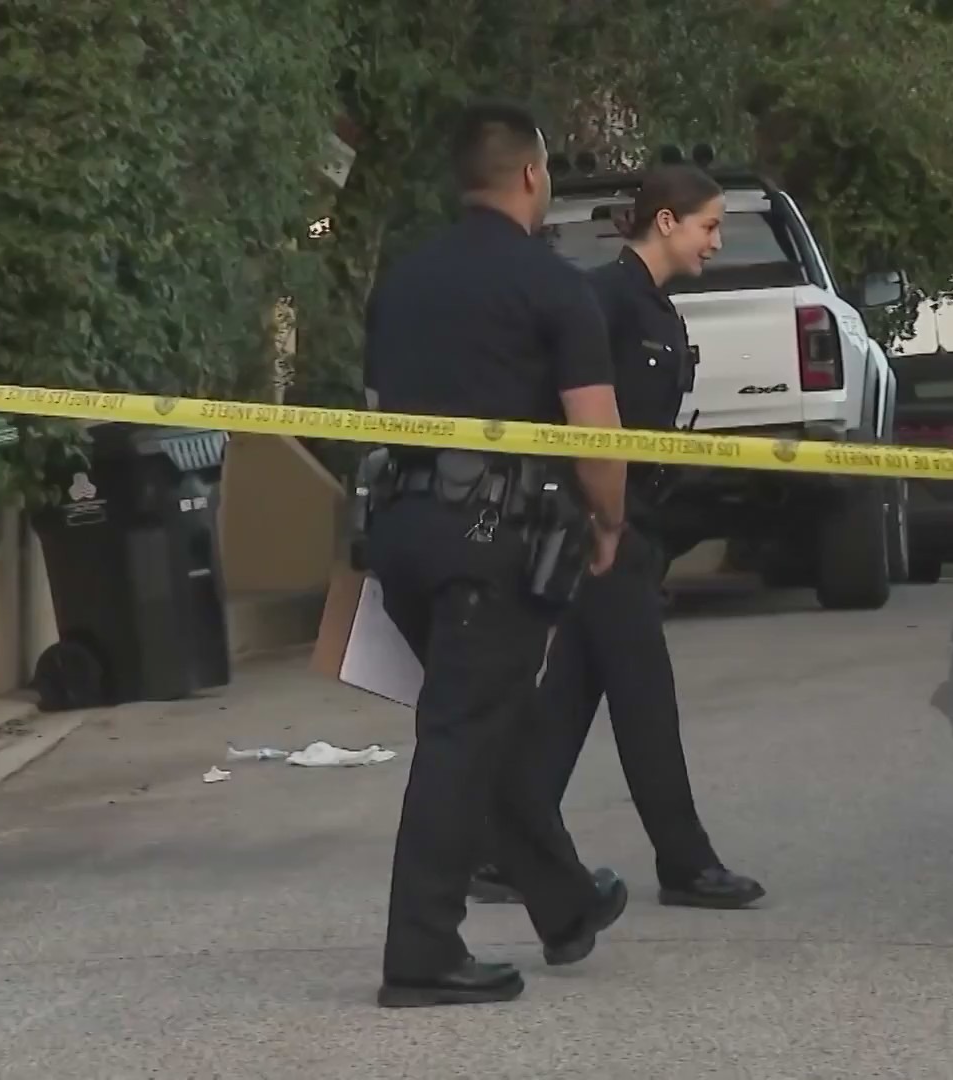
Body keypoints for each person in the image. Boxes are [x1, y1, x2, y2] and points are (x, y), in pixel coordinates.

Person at [362, 99, 633, 1009]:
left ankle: (565, 904)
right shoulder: (556, 286)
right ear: (530, 175)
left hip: (400, 529)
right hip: (489, 541)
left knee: (489, 720)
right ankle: (422, 953)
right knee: (461, 735)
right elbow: (597, 437)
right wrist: (608, 523)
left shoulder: (400, 281)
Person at [469, 165, 766, 911]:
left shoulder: (659, 310)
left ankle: (505, 848)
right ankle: (685, 860)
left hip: (637, 523)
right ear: (664, 222)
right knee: (644, 694)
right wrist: (602, 515)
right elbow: (579, 414)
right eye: (708, 226)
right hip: (600, 524)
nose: (717, 242)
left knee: (571, 691)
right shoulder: (603, 300)